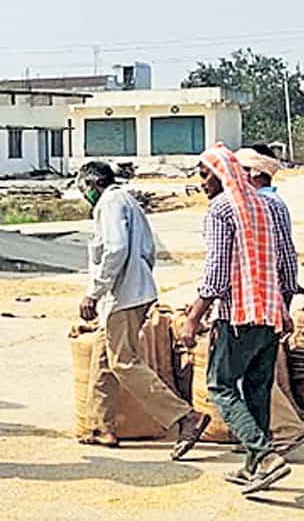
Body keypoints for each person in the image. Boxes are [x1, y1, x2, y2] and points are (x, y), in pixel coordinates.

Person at [179, 144, 293, 495]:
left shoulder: (222, 208)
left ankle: (265, 455)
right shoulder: (266, 204)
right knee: (257, 388)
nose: (202, 184)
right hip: (270, 314)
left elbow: (216, 274)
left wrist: (193, 318)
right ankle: (253, 467)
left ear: (220, 175)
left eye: (204, 176)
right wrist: (284, 306)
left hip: (239, 314)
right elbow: (286, 261)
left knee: (220, 385)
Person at [75, 162, 211, 455]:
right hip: (135, 290)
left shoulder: (109, 203)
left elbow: (115, 249)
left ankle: (184, 416)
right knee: (103, 357)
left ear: (93, 184)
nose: (85, 196)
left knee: (123, 363)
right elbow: (148, 250)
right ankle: (103, 426)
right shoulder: (127, 201)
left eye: (84, 189)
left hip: (124, 295)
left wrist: (93, 292)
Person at [236, 143, 304, 455]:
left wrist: (285, 295)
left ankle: (285, 429)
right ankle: (259, 433)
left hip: (265, 298)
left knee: (250, 367)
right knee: (259, 366)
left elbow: (283, 255)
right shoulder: (265, 201)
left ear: (254, 172)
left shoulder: (268, 205)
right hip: (266, 296)